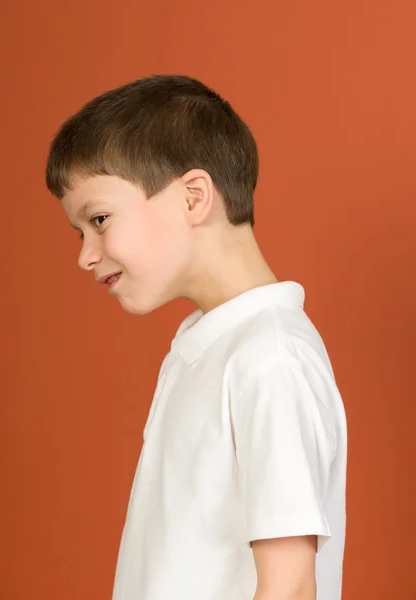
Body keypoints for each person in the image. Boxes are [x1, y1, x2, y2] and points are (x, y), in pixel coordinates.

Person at [45, 74, 347, 600]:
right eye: (80, 232)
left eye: (99, 219)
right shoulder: (210, 349)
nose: (85, 255)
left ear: (193, 198)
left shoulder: (270, 358)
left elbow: (291, 587)